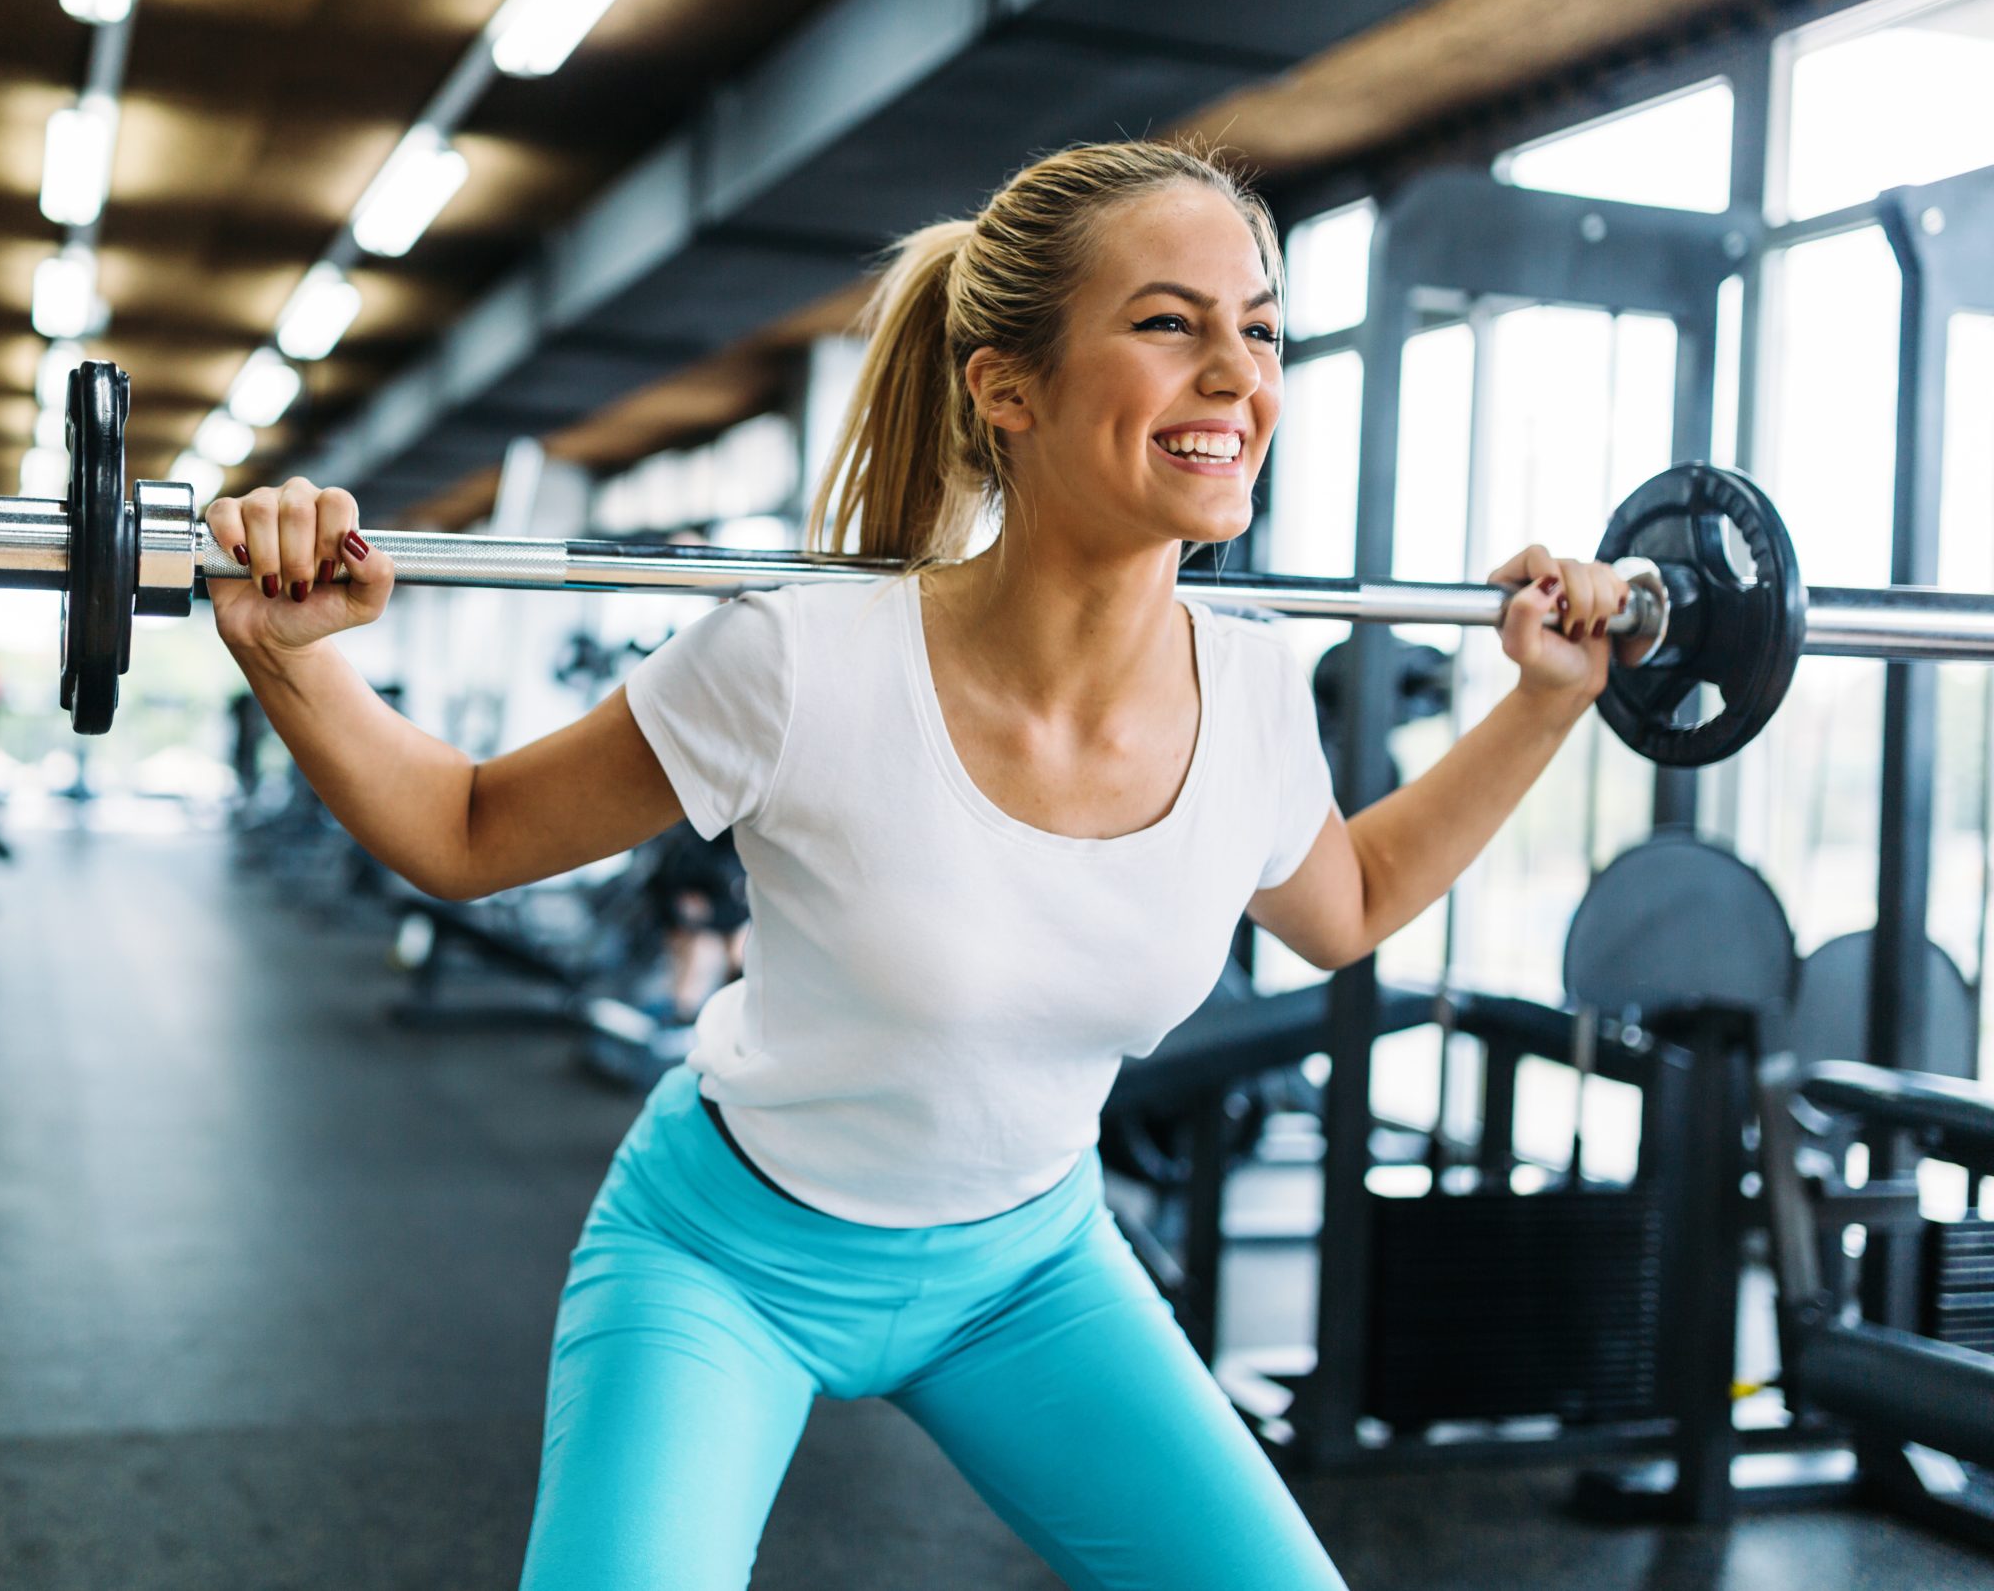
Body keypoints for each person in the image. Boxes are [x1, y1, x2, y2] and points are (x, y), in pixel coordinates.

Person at [209, 138, 1628, 1591]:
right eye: (1168, 322)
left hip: (1030, 1275)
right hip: (723, 1264)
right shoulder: (797, 661)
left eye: (1259, 329)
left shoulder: (1256, 698)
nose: (1238, 375)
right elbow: (466, 833)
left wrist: (1547, 698)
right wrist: (287, 659)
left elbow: (1352, 907)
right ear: (1006, 387)